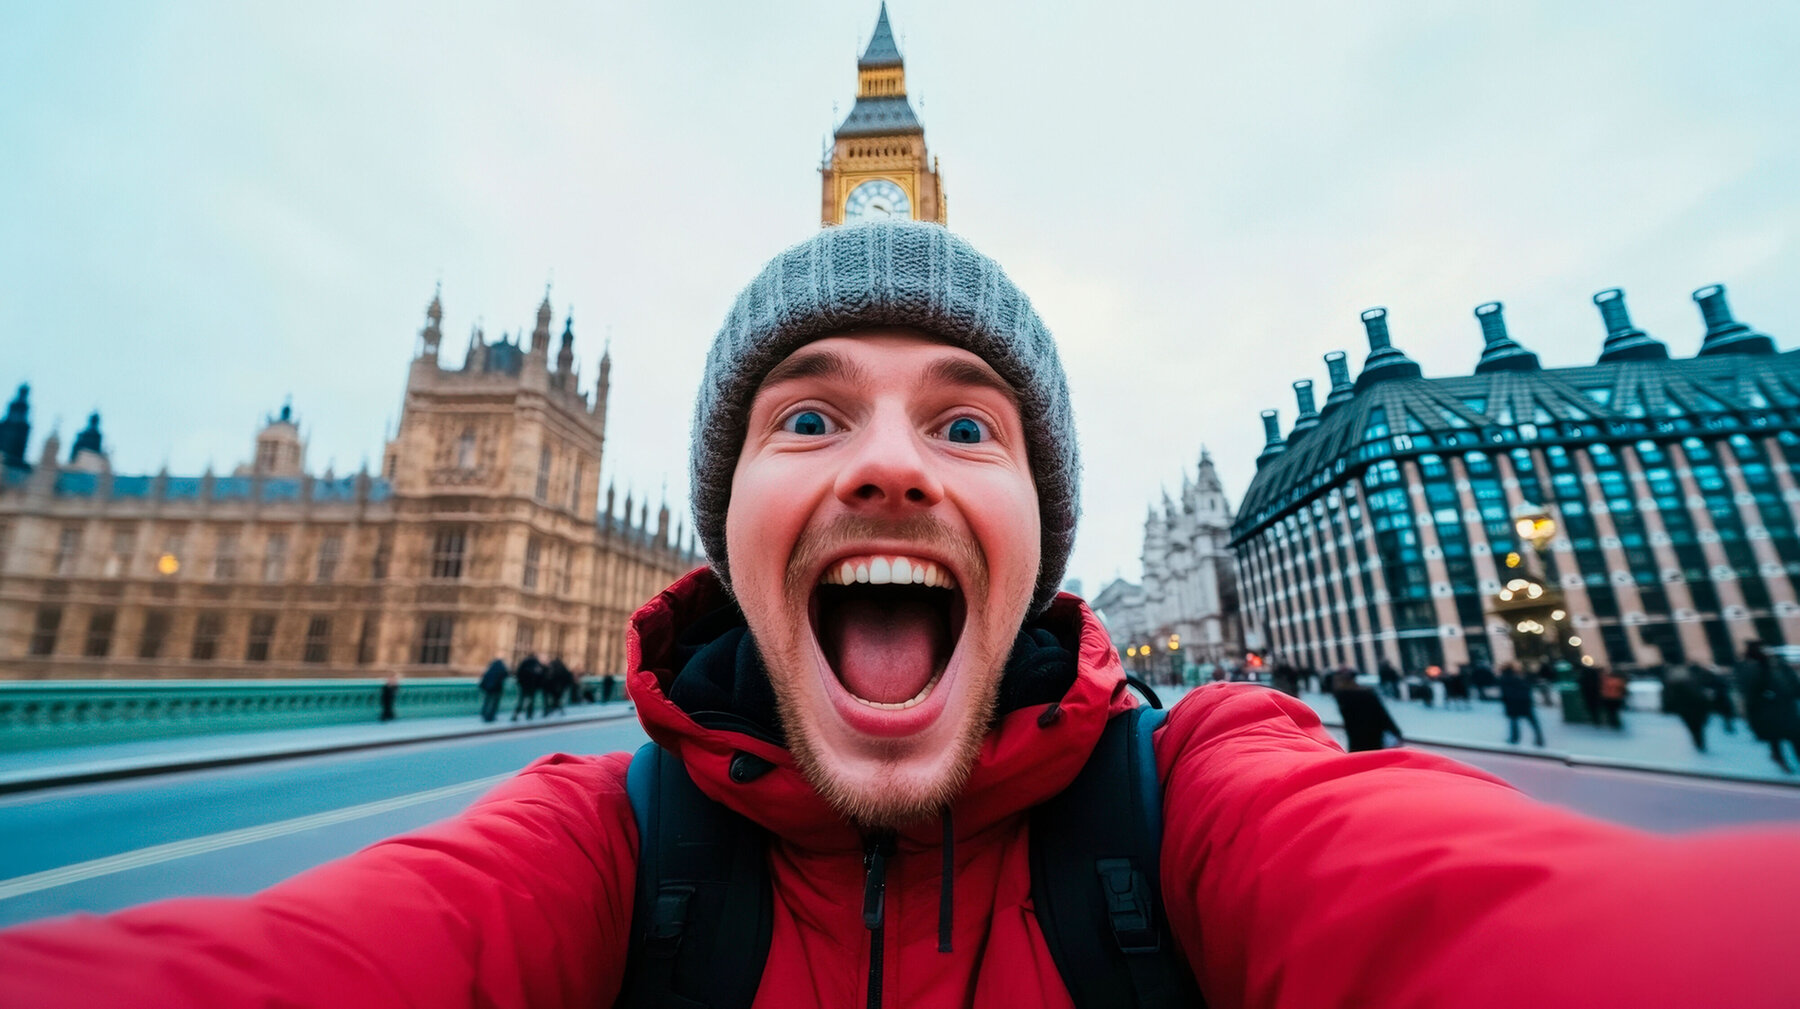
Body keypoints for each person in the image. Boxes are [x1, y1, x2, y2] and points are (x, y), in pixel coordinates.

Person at [5, 222, 1799, 1008]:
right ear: (723, 529)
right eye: (807, 416)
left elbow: (1508, 921)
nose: (885, 465)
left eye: (965, 422)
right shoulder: (599, 846)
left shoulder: (1200, 798)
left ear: (1044, 531)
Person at [1738, 641, 1800, 773]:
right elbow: (1750, 692)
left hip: (1786, 707)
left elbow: (1793, 682)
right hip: (1770, 710)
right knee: (1776, 737)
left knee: (1794, 735)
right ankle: (1779, 757)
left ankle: (1781, 757)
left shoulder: (1779, 664)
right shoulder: (1752, 668)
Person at [1330, 669, 1403, 752]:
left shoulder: (1341, 697)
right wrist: (1396, 731)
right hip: (1373, 735)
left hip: (1356, 740)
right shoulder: (1366, 695)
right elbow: (1382, 715)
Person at [1664, 663, 1713, 753]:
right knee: (1698, 728)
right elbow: (1701, 698)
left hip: (1686, 711)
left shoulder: (1675, 685)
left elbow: (1671, 699)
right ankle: (1700, 743)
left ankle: (1698, 742)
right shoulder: (1695, 682)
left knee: (1693, 728)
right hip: (1695, 710)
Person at [1498, 663, 1545, 747]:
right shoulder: (1519, 676)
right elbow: (1527, 687)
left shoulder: (1504, 679)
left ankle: (1514, 738)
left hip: (1512, 703)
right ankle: (1539, 739)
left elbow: (1504, 693)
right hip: (1524, 702)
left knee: (1514, 722)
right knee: (1533, 722)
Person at [511, 652, 544, 722]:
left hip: (524, 686)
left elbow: (518, 673)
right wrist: (538, 686)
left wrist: (520, 683)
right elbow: (540, 676)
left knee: (521, 701)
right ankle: (529, 715)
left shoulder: (524, 662)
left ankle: (516, 715)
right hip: (532, 686)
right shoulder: (536, 664)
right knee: (531, 701)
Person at [478, 656, 509, 722]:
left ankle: (484, 715)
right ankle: (490, 717)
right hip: (496, 689)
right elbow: (506, 675)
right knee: (494, 704)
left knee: (487, 702)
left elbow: (485, 678)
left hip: (488, 688)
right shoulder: (502, 668)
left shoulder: (491, 668)